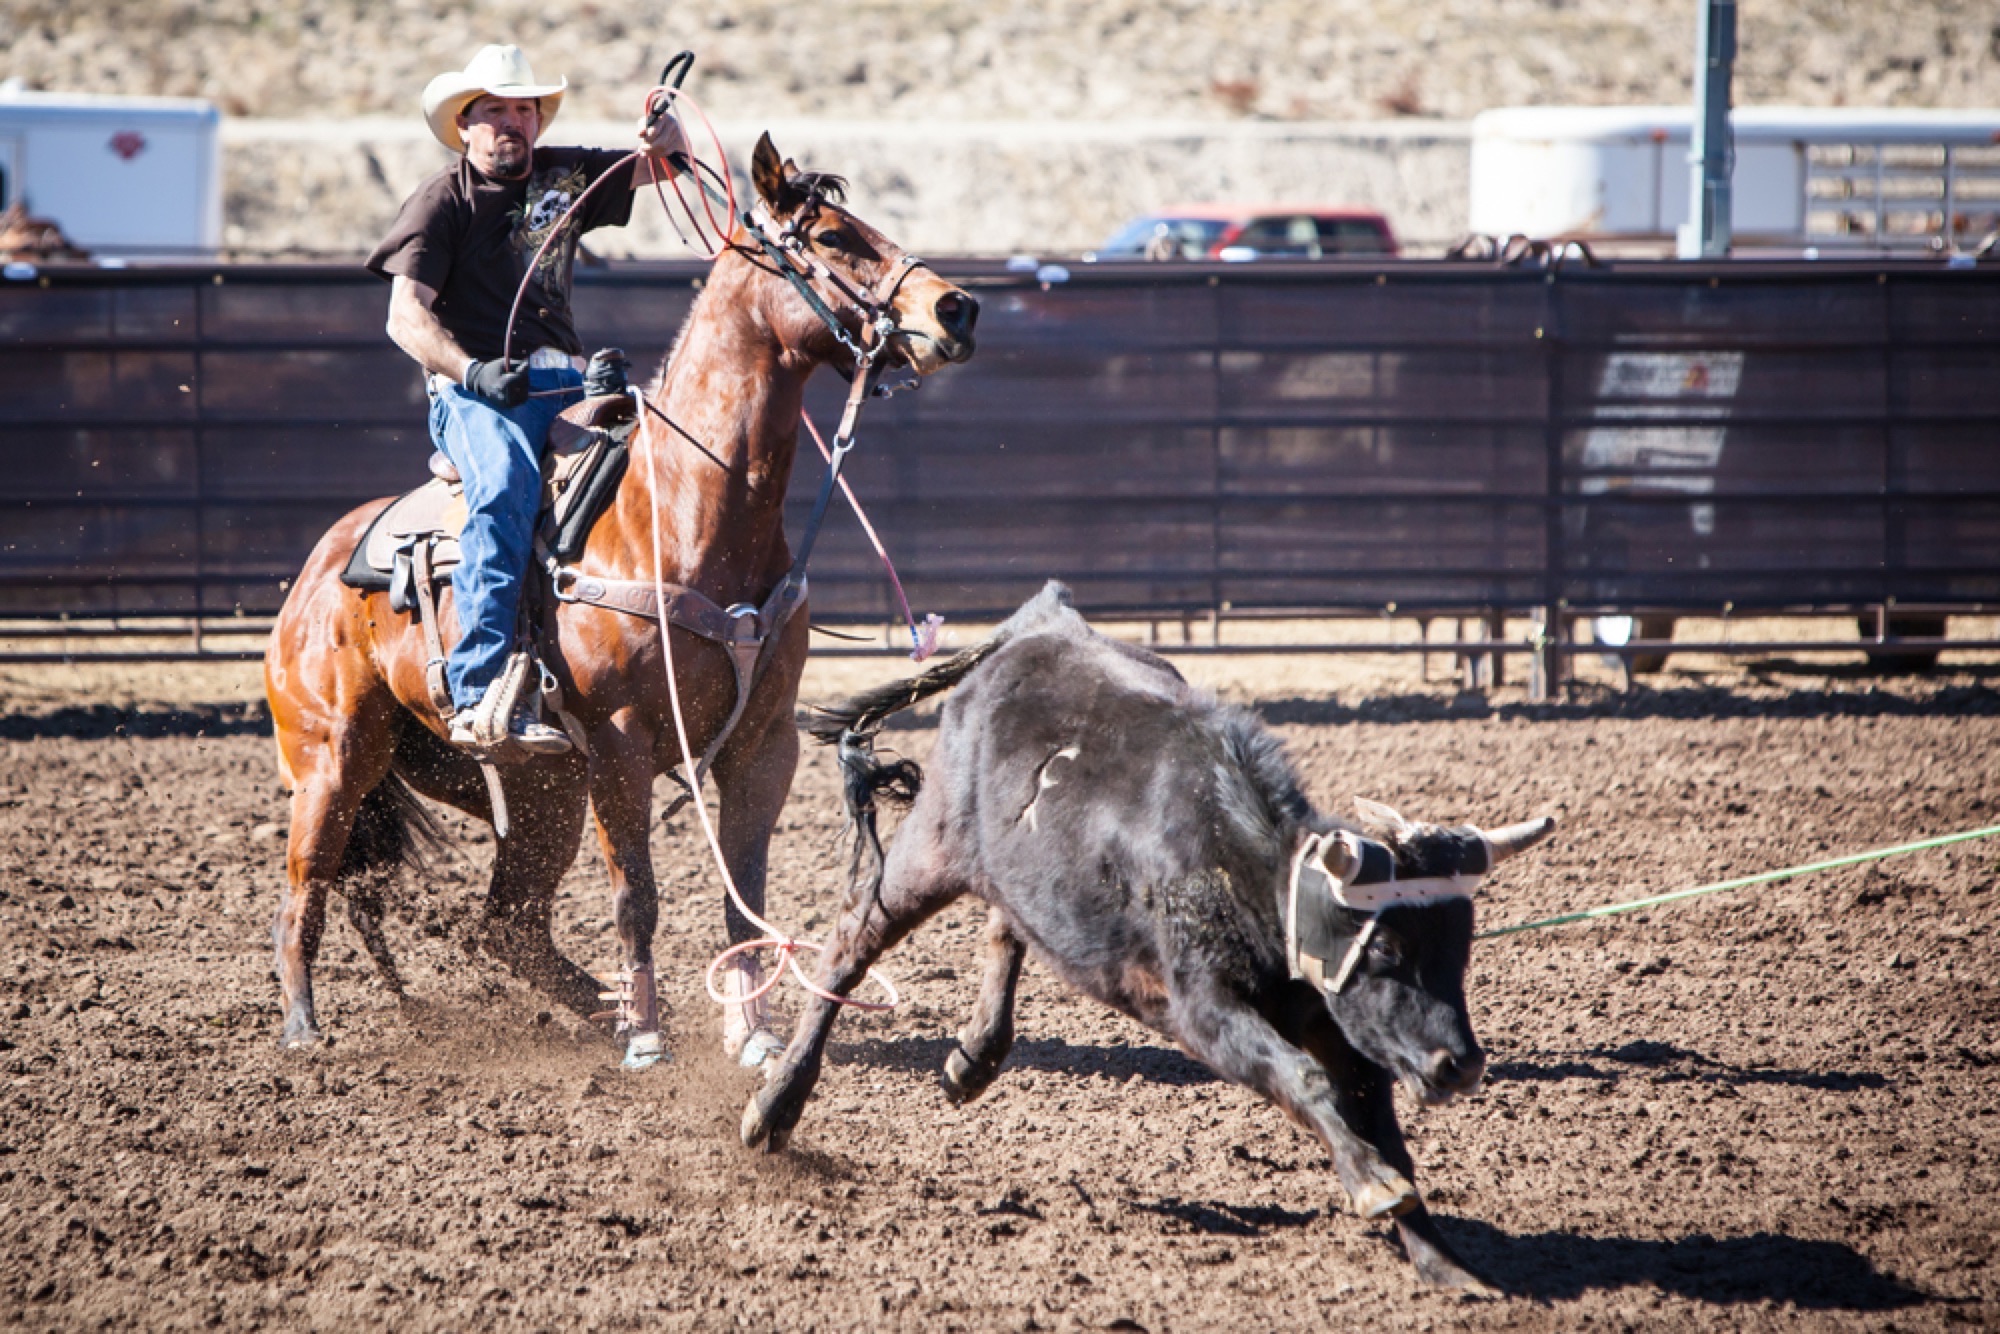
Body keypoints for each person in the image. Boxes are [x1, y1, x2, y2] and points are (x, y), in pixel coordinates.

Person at [365, 44, 686, 753]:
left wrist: (669, 136)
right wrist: (472, 372)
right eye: (496, 110)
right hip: (478, 392)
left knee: (654, 474)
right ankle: (479, 694)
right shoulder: (440, 201)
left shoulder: (563, 175)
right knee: (506, 485)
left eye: (523, 109)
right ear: (465, 123)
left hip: (566, 382)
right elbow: (404, 317)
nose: (513, 121)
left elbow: (657, 166)